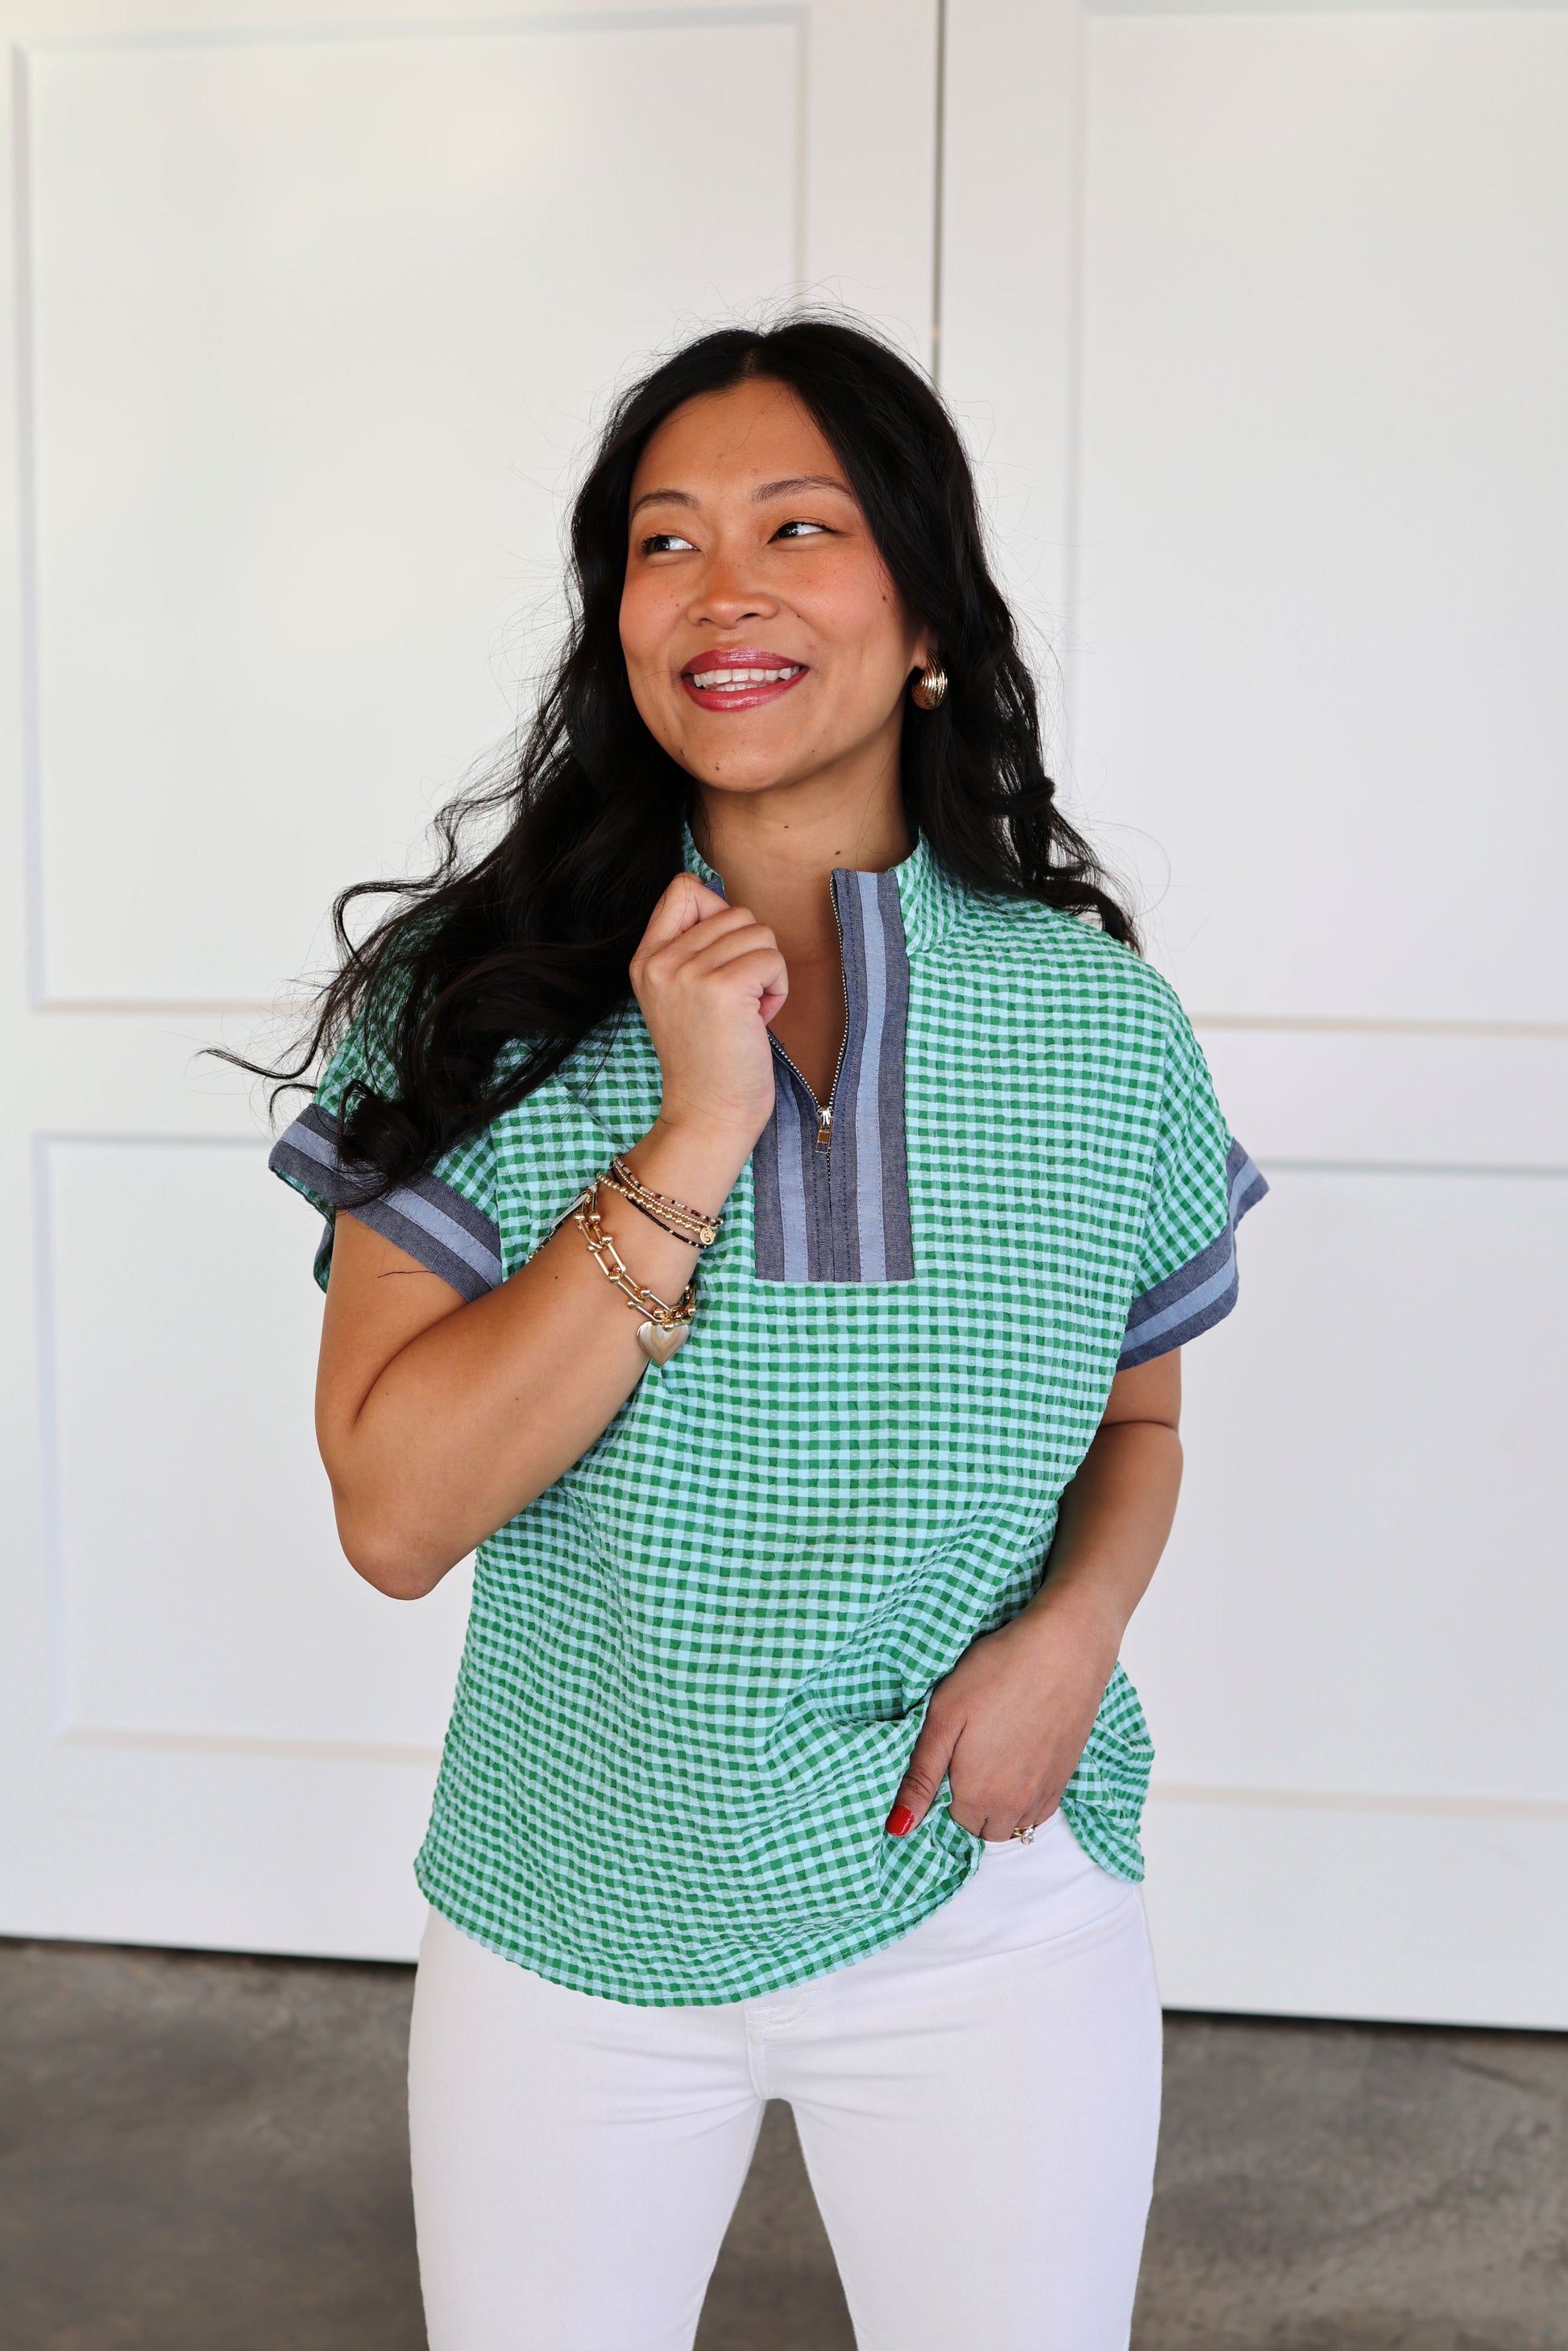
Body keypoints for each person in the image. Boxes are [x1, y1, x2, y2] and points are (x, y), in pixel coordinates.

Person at [259, 316, 1267, 2350]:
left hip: (986, 1887)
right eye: (665, 541)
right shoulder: (479, 1002)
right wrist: (695, 1125)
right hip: (571, 1897)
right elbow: (393, 1514)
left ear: (925, 616)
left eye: (798, 528)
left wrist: (1071, 1641)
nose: (721, 589)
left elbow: (1134, 1425)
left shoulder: (1096, 1025)